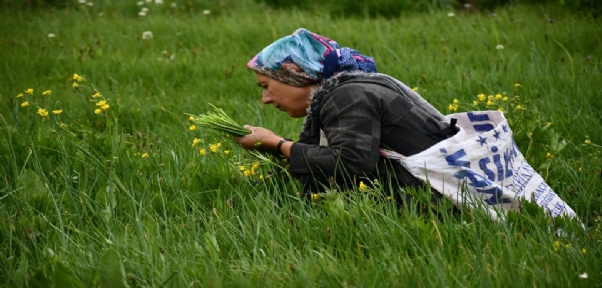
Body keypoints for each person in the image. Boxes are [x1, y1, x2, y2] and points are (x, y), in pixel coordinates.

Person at [235, 28, 458, 207]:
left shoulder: (347, 96)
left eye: (266, 86)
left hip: (436, 201)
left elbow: (352, 161)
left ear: (296, 75)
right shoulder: (345, 92)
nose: (265, 98)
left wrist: (278, 144)